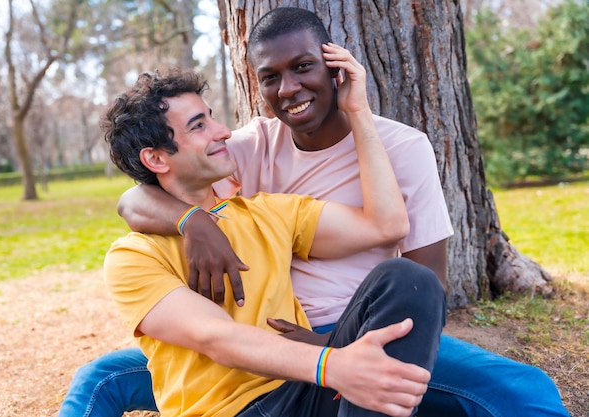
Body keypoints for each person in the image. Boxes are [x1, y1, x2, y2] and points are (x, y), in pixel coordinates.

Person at [59, 7, 569, 417]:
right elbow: (144, 191)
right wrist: (193, 222)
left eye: (303, 67)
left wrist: (359, 113)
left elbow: (411, 262)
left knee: (520, 387)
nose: (289, 89)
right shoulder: (248, 148)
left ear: (334, 64)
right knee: (102, 377)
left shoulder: (396, 151)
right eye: (271, 77)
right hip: (266, 358)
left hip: (357, 328)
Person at [98, 49, 446, 417]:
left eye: (212, 118)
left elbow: (386, 225)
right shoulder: (133, 257)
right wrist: (333, 365)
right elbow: (218, 338)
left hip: (305, 392)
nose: (223, 132)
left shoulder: (267, 212)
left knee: (408, 279)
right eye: (199, 126)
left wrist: (357, 112)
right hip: (234, 410)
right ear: (155, 159)